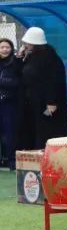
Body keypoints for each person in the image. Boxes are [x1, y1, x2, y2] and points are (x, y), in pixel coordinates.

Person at [18, 27, 67, 149]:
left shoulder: (51, 58)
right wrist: (20, 57)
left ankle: (45, 152)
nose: (26, 45)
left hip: (46, 103)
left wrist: (51, 101)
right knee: (35, 128)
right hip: (33, 101)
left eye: (28, 43)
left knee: (46, 127)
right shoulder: (31, 56)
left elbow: (54, 81)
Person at [0, 38, 23, 170]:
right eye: (2, 47)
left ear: (11, 48)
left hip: (9, 103)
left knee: (10, 132)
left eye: (7, 47)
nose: (4, 50)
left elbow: (18, 82)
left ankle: (11, 160)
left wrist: (3, 82)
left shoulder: (16, 62)